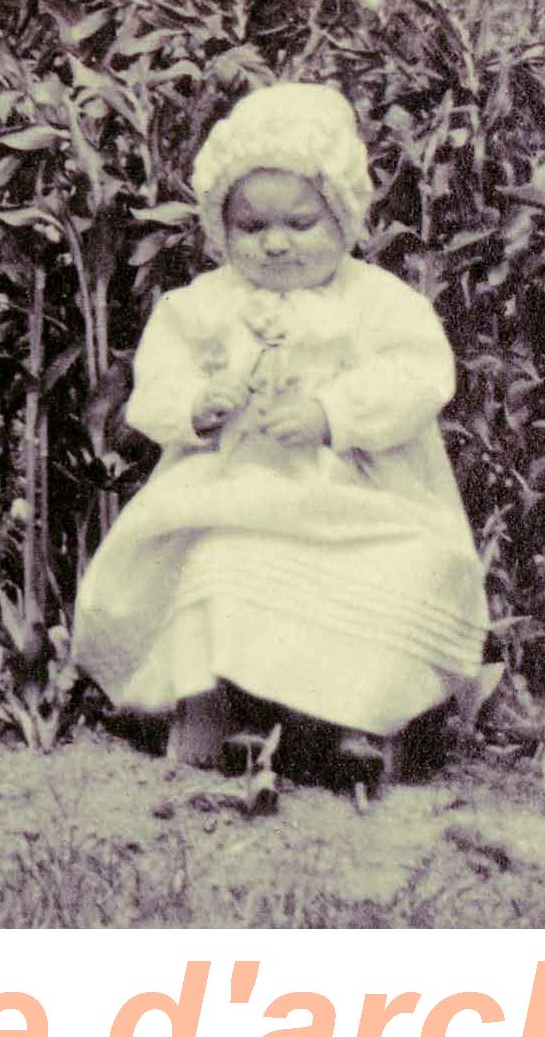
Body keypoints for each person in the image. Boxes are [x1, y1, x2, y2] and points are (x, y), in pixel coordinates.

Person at [70, 82, 489, 778]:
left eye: (301, 223)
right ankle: (212, 710)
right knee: (221, 561)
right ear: (220, 227)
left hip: (357, 493)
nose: (276, 244)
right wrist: (196, 405)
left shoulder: (379, 303)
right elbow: (159, 382)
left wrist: (334, 414)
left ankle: (353, 722)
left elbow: (419, 377)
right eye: (251, 227)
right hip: (235, 485)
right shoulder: (202, 305)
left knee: (406, 563)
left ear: (344, 218)